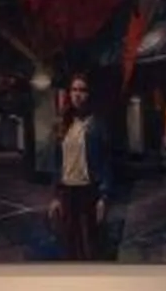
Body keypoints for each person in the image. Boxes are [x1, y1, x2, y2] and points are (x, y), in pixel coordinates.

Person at [50, 69, 113, 260]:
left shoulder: (97, 124)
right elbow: (58, 163)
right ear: (70, 93)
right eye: (74, 89)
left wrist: (104, 196)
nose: (78, 94)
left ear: (89, 94)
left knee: (91, 248)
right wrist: (55, 196)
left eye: (82, 90)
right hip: (67, 193)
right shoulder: (64, 124)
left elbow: (106, 162)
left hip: (89, 191)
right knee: (69, 246)